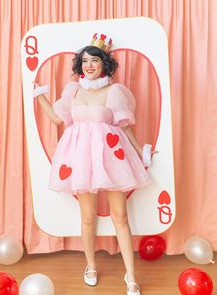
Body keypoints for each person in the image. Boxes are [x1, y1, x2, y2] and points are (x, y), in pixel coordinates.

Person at [33, 33, 153, 295]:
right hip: (79, 160)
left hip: (110, 158)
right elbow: (57, 119)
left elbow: (125, 127)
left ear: (103, 65)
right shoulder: (72, 91)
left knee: (120, 216)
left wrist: (141, 152)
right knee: (87, 218)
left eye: (94, 61)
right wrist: (38, 94)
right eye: (85, 61)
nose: (89, 65)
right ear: (80, 65)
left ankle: (130, 276)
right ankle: (90, 266)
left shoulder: (114, 91)